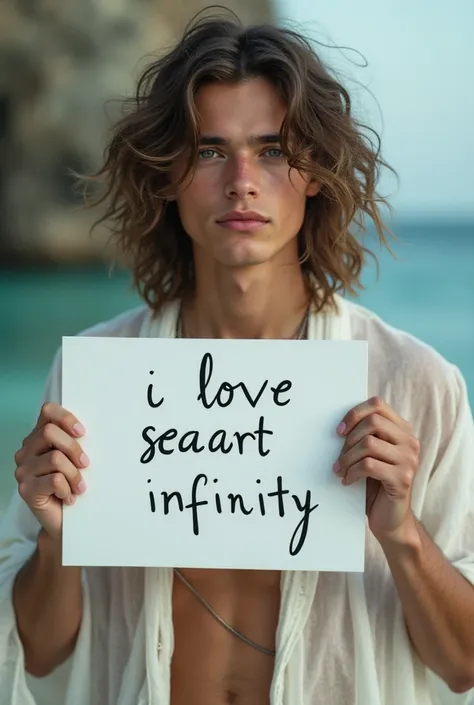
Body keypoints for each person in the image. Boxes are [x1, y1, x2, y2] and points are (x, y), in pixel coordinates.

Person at [0, 11, 473, 705]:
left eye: (274, 150)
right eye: (211, 150)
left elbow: (464, 664)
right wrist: (57, 539)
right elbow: (39, 653)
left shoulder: (414, 383)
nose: (242, 181)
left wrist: (401, 534)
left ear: (314, 172)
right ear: (168, 176)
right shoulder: (98, 376)